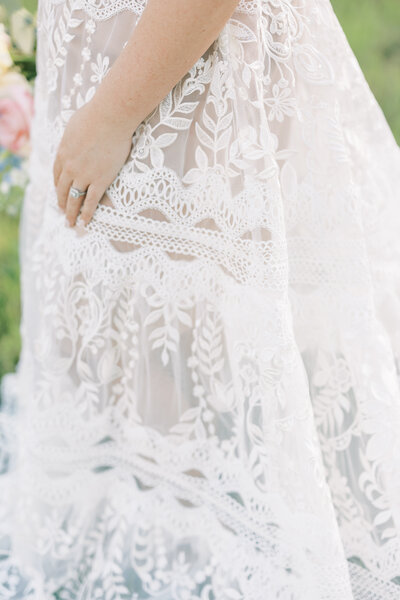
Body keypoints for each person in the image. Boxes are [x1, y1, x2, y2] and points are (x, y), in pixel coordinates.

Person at [1, 0, 400, 598]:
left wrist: (114, 113)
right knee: (144, 391)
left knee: (206, 391)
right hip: (117, 83)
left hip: (177, 91)